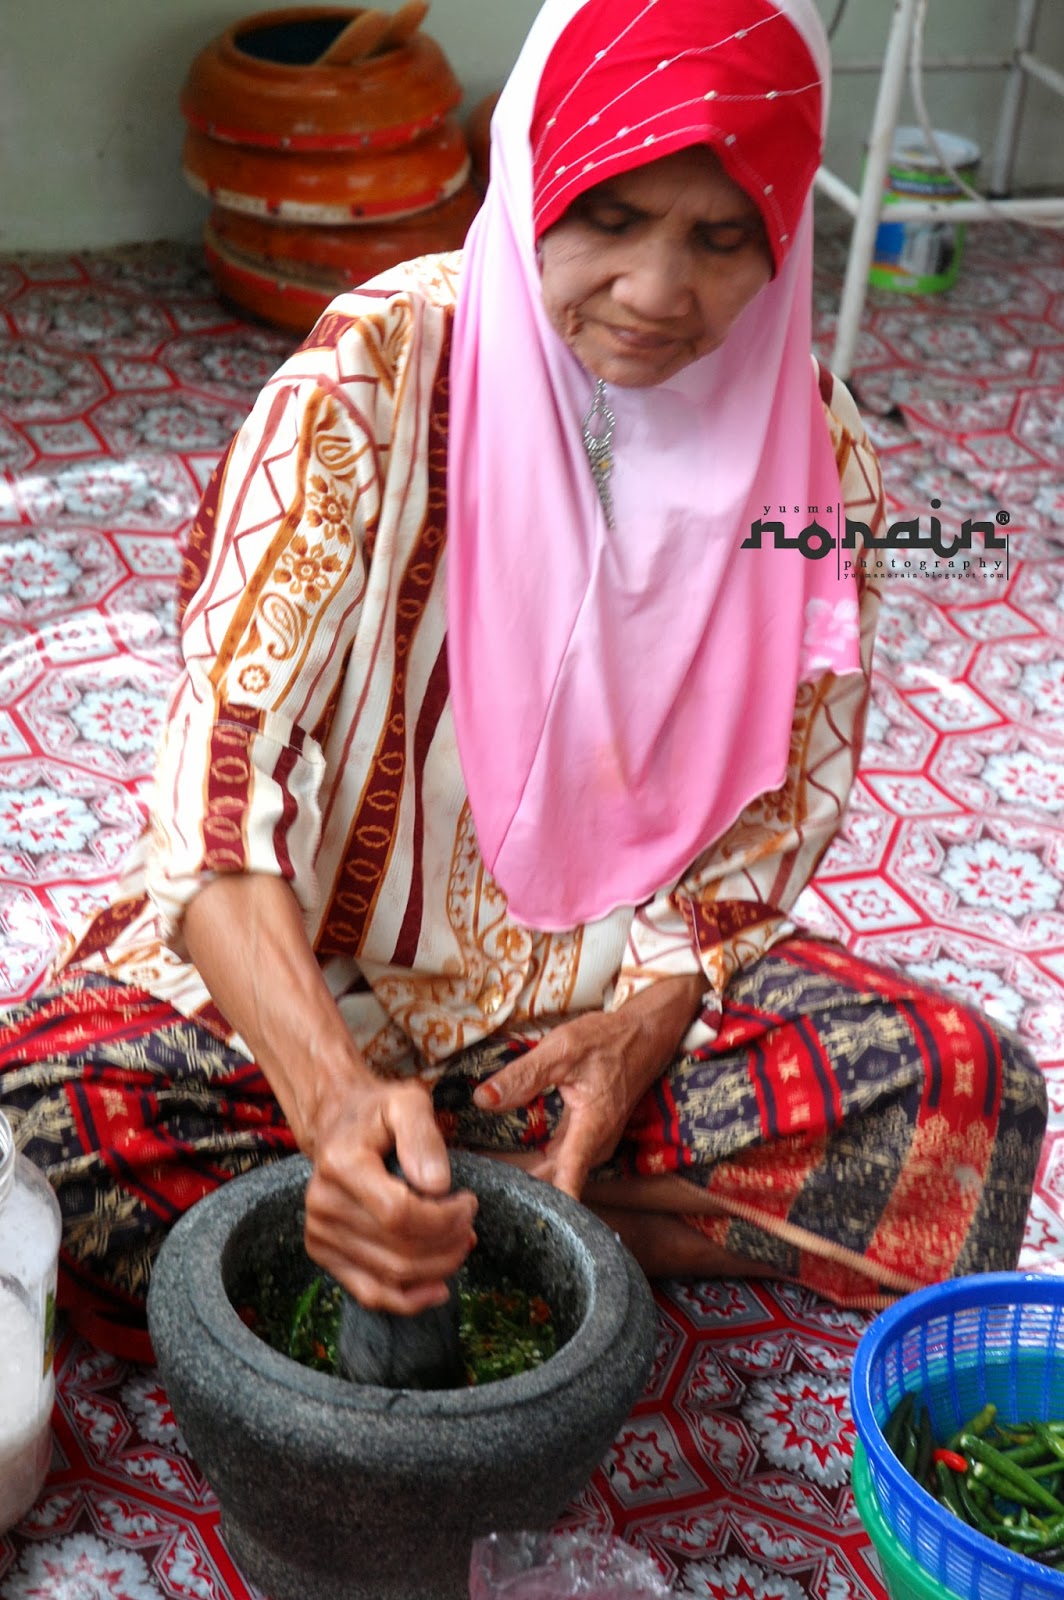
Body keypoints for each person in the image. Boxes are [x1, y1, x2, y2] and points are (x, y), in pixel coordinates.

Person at [0, 0, 1046, 1362]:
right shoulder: (374, 377)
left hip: (595, 1031)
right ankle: (535, 1219)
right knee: (47, 1114)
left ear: (784, 240)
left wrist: (648, 1018)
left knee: (962, 1090)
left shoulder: (815, 464)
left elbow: (779, 802)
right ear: (535, 176)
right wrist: (327, 1098)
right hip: (326, 989)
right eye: (611, 218)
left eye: (724, 238)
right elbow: (218, 787)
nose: (660, 293)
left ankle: (461, 1213)